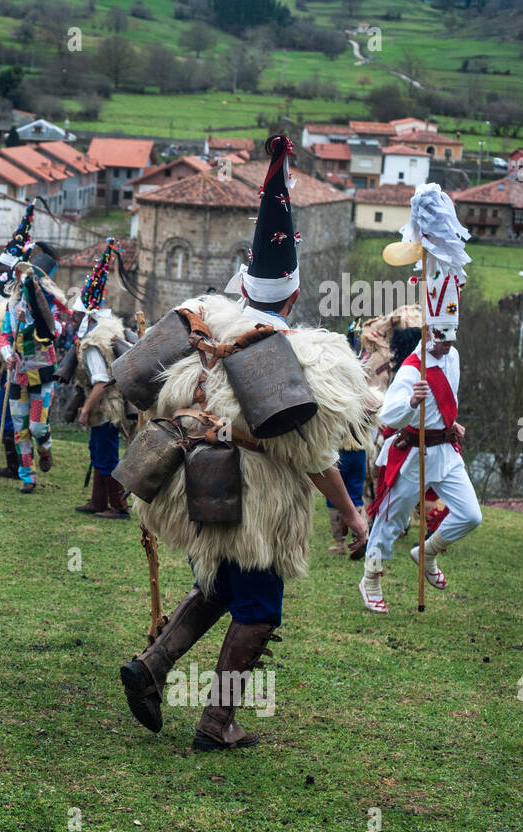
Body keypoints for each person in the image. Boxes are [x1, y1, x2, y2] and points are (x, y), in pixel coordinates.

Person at [120, 135, 370, 750]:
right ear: (292, 293)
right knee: (258, 609)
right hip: (257, 502)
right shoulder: (305, 355)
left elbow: (145, 388)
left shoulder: (206, 326)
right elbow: (312, 457)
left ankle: (151, 669)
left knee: (220, 587)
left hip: (199, 480)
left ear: (242, 284)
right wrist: (352, 513)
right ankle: (216, 723)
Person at [361, 268, 482, 612]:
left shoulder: (453, 357)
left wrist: (451, 424)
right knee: (391, 520)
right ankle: (370, 578)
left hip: (445, 450)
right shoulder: (414, 369)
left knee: (471, 515)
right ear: (429, 332)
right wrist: (412, 402)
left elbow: (447, 401)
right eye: (441, 338)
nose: (446, 345)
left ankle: (426, 553)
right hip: (413, 454)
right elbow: (390, 415)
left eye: (450, 339)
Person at [71, 241, 131, 518]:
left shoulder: (94, 342)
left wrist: (85, 410)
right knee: (98, 450)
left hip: (106, 406)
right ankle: (98, 501)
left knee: (106, 455)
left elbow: (100, 382)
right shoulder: (109, 328)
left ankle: (119, 506)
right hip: (107, 404)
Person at [0, 250, 63, 494]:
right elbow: (4, 337)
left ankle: (44, 447)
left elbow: (53, 332)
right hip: (17, 377)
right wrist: (7, 355)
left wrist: (33, 320)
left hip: (43, 374)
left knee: (37, 427)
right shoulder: (11, 306)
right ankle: (28, 476)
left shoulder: (51, 307)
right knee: (20, 428)